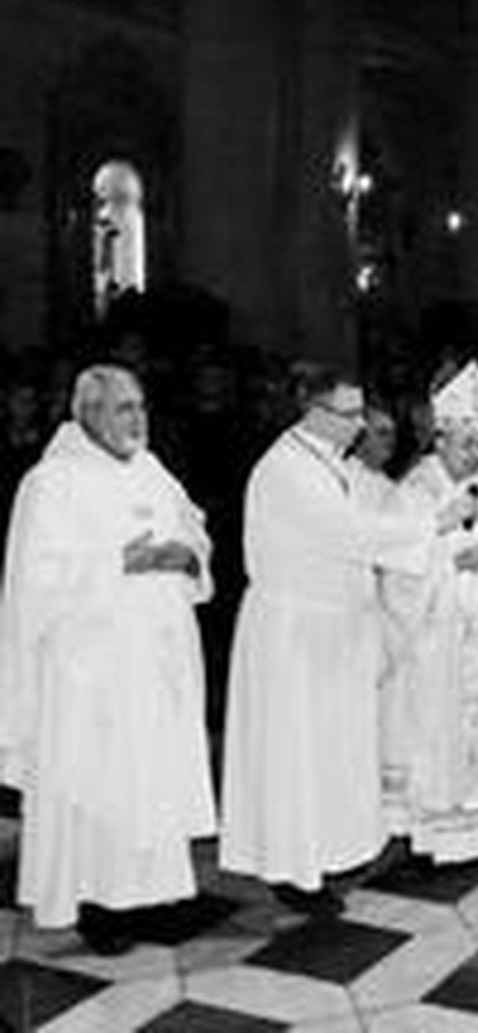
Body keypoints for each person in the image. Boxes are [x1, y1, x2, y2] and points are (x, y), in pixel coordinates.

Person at [221, 363, 476, 918]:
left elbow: (369, 518)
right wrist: (435, 521)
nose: (360, 424)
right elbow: (351, 534)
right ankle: (293, 868)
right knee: (296, 754)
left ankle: (319, 858)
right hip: (295, 633)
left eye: (362, 412)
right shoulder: (287, 470)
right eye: (350, 413)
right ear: (313, 412)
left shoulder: (327, 463)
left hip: (329, 631)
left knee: (326, 753)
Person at [0, 365, 215, 953]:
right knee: (102, 782)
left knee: (154, 776)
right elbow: (36, 582)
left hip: (157, 659)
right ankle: (100, 905)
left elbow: (196, 530)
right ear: (87, 413)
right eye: (123, 408)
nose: (138, 419)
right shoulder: (52, 483)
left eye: (141, 406)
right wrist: (119, 563)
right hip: (93, 670)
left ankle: (154, 897)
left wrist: (187, 556)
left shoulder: (150, 468)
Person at [380, 363, 478, 865]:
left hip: (477, 621)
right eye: (468, 445)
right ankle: (430, 834)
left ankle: (475, 835)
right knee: (440, 728)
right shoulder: (416, 489)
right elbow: (399, 559)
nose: (477, 455)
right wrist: (459, 557)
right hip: (436, 631)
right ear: (441, 440)